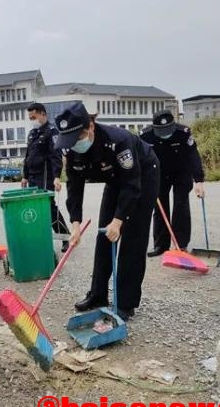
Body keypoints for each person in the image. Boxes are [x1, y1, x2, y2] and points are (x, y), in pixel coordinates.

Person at [54, 102, 159, 321]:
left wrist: (119, 220)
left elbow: (132, 184)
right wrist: (75, 225)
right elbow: (74, 187)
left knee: (132, 238)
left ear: (90, 126)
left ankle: (126, 302)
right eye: (69, 141)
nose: (73, 145)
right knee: (105, 235)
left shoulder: (119, 141)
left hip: (143, 176)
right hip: (115, 181)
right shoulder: (71, 150)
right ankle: (98, 294)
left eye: (77, 138)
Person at [140, 110, 205, 257]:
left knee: (181, 205)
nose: (165, 134)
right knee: (160, 207)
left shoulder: (184, 132)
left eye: (167, 130)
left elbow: (193, 156)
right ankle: (161, 245)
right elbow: (141, 159)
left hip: (181, 172)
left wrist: (199, 180)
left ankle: (180, 244)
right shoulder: (145, 135)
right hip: (159, 174)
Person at [22, 102, 71, 253]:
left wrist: (56, 176)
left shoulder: (52, 132)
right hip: (32, 177)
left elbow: (56, 156)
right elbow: (28, 156)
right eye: (30, 117)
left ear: (43, 114)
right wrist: (25, 176)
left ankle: (65, 237)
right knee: (35, 208)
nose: (32, 119)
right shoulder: (32, 133)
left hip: (45, 177)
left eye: (34, 116)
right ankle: (39, 238)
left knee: (48, 207)